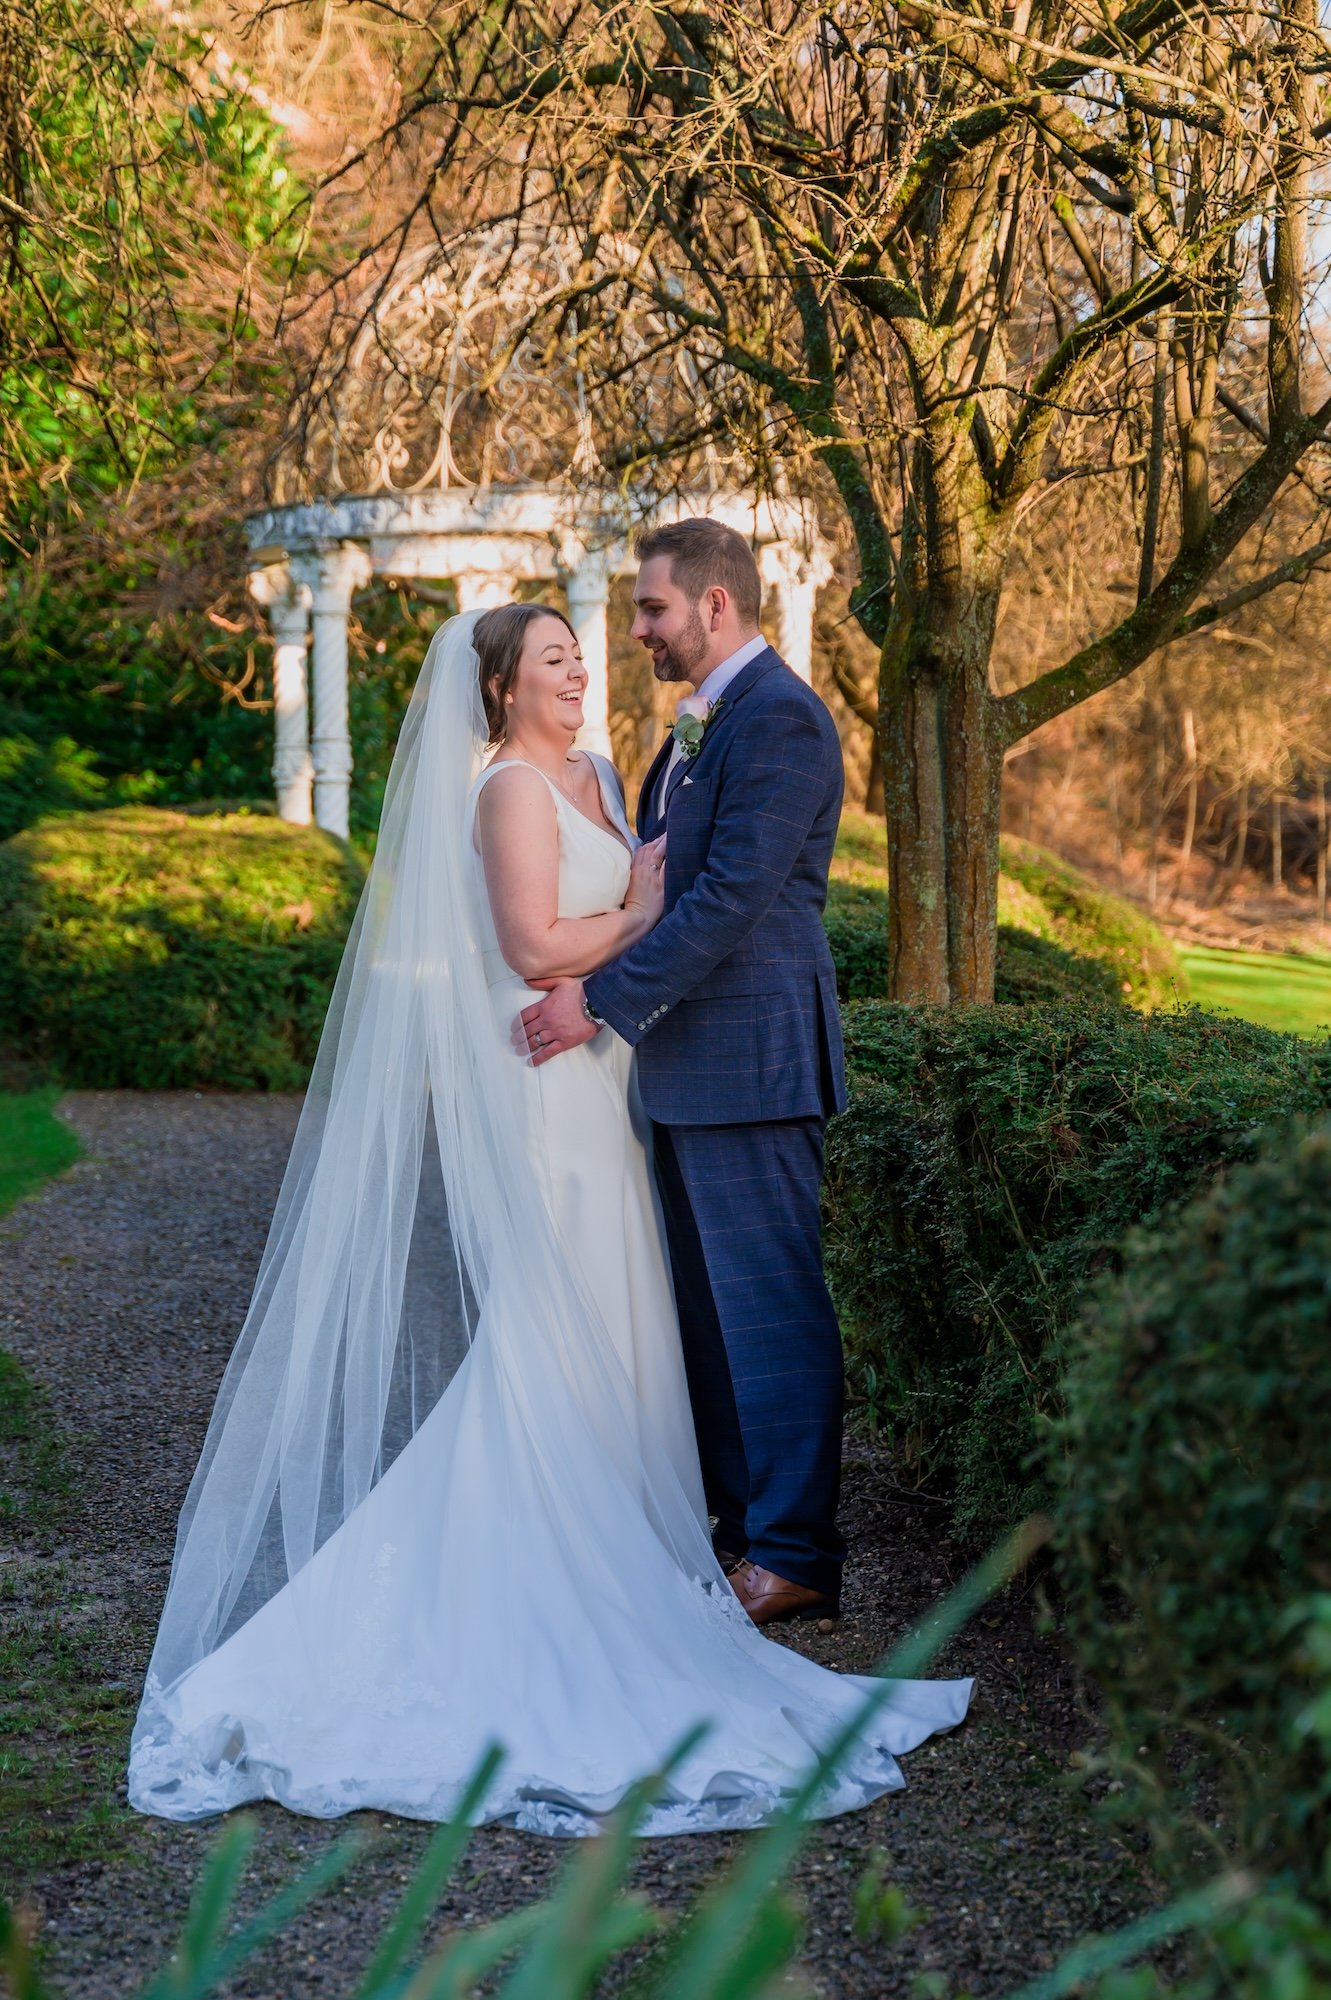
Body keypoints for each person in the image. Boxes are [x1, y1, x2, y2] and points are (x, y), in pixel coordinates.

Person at [128, 587, 970, 1836]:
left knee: (630, 1320)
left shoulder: (599, 766)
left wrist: (636, 922)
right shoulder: (506, 790)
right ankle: (553, 1564)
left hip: (614, 1082)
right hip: (546, 1083)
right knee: (559, 1317)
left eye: (583, 653)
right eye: (555, 660)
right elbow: (531, 946)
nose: (581, 672)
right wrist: (638, 912)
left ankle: (637, 1545)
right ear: (500, 688)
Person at [520, 520, 849, 1625]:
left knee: (770, 1311)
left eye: (651, 609)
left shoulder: (784, 721)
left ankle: (795, 1551)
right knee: (707, 1319)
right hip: (685, 1066)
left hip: (753, 1058)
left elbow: (728, 900)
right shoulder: (701, 725)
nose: (638, 631)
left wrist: (597, 999)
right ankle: (735, 1531)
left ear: (715, 605)